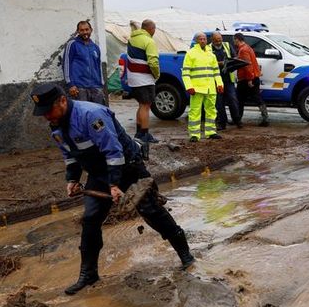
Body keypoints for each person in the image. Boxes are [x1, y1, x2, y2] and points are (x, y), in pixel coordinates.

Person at [29, 84, 194, 295]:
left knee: (152, 212)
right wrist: (72, 179)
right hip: (99, 173)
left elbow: (114, 151)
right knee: (90, 218)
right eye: (42, 113)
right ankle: (88, 274)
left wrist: (115, 184)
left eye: (48, 111)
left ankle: (186, 256)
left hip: (127, 166)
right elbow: (70, 155)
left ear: (62, 101)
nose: (46, 117)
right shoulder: (56, 124)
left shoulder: (91, 115)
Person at [182, 32, 224, 142]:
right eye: (200, 39)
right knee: (195, 111)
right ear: (196, 41)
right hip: (197, 88)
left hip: (210, 88)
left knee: (211, 110)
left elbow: (216, 71)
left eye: (204, 39)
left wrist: (219, 84)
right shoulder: (190, 54)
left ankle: (211, 132)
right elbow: (185, 73)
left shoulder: (211, 54)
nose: (203, 41)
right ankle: (194, 134)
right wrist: (189, 86)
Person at [126, 19, 160, 143]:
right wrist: (156, 74)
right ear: (151, 29)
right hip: (145, 78)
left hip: (133, 78)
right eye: (154, 29)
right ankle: (144, 134)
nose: (154, 31)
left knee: (141, 105)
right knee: (146, 106)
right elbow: (153, 62)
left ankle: (139, 132)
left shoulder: (132, 39)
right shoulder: (149, 41)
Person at [62, 20, 106, 105]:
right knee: (82, 114)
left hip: (96, 86)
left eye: (87, 29)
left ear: (91, 30)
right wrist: (70, 84)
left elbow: (99, 66)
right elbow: (66, 64)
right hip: (79, 87)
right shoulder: (72, 44)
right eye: (82, 30)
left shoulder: (95, 47)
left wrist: (101, 84)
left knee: (97, 114)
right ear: (78, 31)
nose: (85, 32)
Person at [234, 33, 269, 126]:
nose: (234, 42)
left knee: (239, 99)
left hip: (246, 79)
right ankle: (265, 118)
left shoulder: (243, 50)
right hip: (254, 77)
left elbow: (247, 65)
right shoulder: (248, 48)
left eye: (234, 40)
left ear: (237, 39)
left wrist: (249, 79)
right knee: (257, 97)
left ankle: (238, 119)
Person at [210, 32, 241, 130]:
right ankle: (222, 123)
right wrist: (220, 63)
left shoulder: (227, 45)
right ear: (212, 40)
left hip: (228, 79)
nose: (219, 41)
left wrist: (231, 61)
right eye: (216, 40)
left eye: (220, 39)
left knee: (233, 100)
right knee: (219, 103)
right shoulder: (208, 48)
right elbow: (208, 62)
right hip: (216, 80)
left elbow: (235, 57)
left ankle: (237, 121)